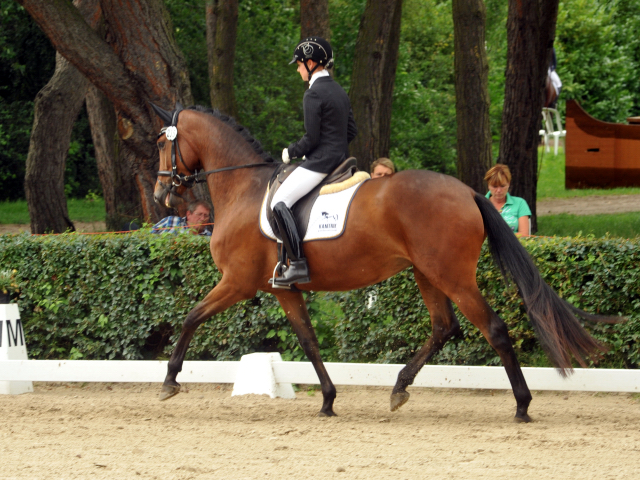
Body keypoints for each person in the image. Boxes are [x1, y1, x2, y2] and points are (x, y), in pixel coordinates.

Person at [269, 36, 358, 286]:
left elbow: (311, 137)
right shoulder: (339, 90)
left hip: (321, 163)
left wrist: (291, 151)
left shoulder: (313, 94)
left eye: (298, 65)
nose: (298, 70)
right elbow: (351, 131)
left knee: (279, 201)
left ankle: (297, 265)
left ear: (311, 63)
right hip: (341, 160)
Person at [484, 164, 531, 237]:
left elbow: (524, 234)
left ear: (508, 184)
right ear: (488, 185)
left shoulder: (520, 203)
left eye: (502, 186)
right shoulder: (479, 204)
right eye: (494, 186)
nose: (499, 190)